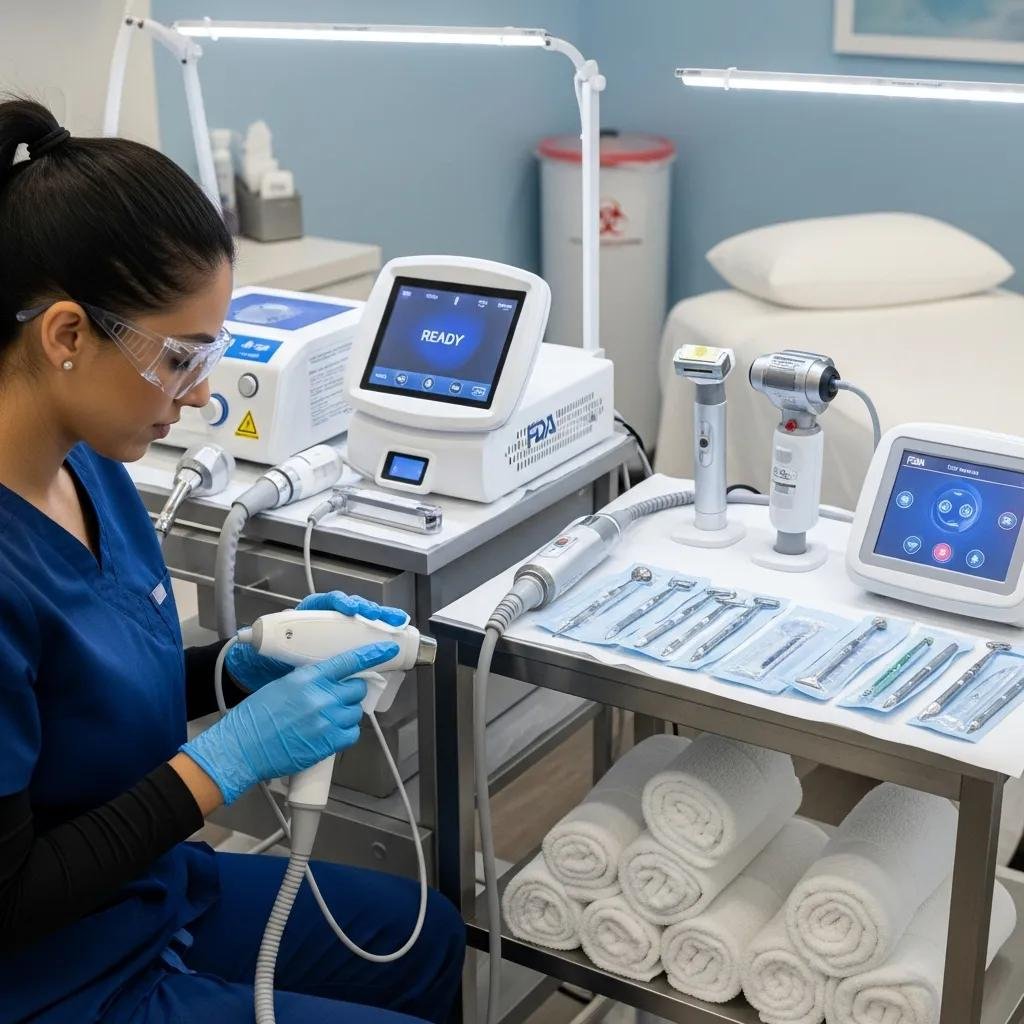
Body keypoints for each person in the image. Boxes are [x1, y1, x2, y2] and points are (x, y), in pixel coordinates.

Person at [0, 99, 464, 1024]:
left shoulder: (89, 466)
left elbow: (74, 708)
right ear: (65, 336)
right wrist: (230, 758)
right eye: (179, 357)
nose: (202, 391)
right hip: (48, 971)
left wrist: (236, 669)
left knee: (431, 935)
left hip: (139, 892)